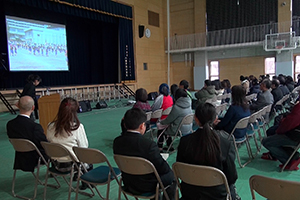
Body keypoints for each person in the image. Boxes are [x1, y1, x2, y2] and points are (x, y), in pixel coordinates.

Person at [177, 103, 239, 200]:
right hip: (217, 195)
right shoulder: (225, 143)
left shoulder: (184, 142)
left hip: (190, 193)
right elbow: (232, 177)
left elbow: (180, 169)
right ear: (215, 119)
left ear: (196, 119)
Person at [113, 108, 176, 199]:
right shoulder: (148, 145)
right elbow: (164, 169)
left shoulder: (117, 142)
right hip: (148, 185)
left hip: (128, 183)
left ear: (125, 124)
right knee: (171, 176)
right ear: (142, 126)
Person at [47, 97, 90, 189]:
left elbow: (49, 140)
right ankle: (85, 182)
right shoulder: (78, 128)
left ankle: (78, 175)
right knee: (88, 161)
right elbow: (84, 147)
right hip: (73, 165)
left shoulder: (50, 126)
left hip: (56, 164)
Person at [6, 96, 48, 172]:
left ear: (18, 105)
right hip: (35, 158)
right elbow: (44, 144)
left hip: (20, 158)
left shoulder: (10, 124)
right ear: (33, 108)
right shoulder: (35, 127)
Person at [261, 102, 300, 170]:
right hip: (294, 133)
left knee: (265, 142)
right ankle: (273, 155)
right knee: (271, 131)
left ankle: (289, 159)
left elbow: (289, 124)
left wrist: (279, 131)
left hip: (294, 136)